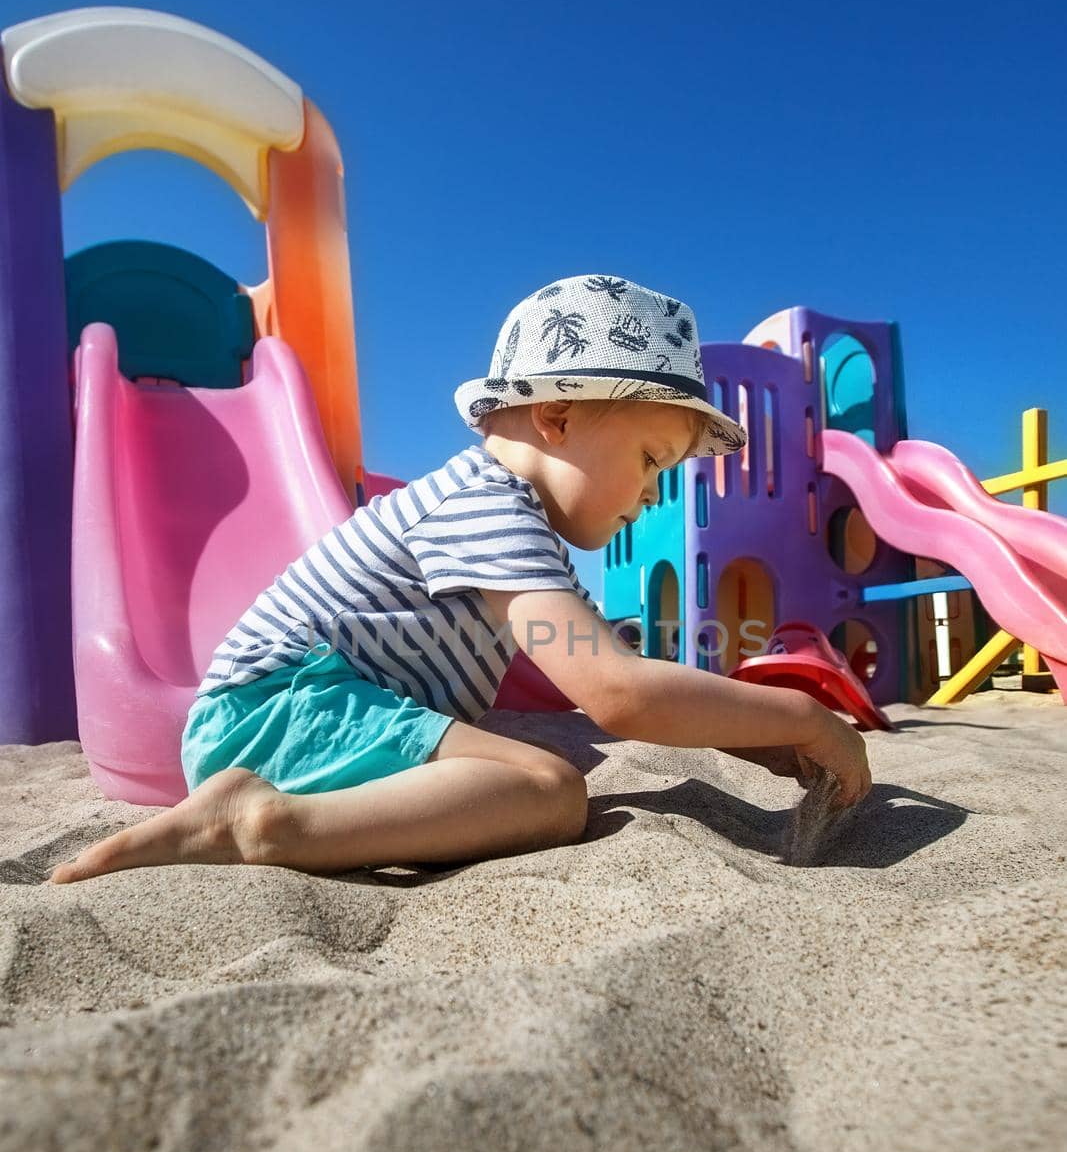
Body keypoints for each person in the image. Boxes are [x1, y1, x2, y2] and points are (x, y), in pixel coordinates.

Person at [48, 274, 870, 885]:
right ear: (557, 417)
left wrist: (752, 734)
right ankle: (264, 822)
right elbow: (619, 694)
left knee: (536, 776)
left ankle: (264, 811)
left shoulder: (511, 532)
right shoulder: (490, 508)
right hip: (286, 711)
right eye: (651, 459)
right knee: (547, 790)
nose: (654, 491)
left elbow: (611, 677)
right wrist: (801, 715)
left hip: (307, 711)